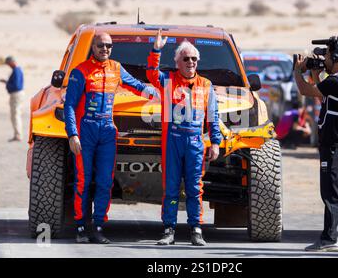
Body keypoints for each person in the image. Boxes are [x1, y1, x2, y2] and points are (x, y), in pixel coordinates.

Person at [64, 32, 156, 244]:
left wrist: (158, 92)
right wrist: (72, 134)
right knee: (83, 181)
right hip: (85, 130)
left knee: (105, 182)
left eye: (108, 45)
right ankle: (80, 226)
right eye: (100, 45)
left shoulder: (116, 68)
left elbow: (137, 85)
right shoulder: (80, 72)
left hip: (107, 130)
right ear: (93, 47)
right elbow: (69, 105)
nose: (105, 49)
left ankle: (98, 227)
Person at [147, 29, 222, 246]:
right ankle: (168, 229)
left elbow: (213, 117)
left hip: (195, 143)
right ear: (178, 61)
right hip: (172, 140)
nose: (191, 62)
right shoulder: (168, 80)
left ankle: (196, 229)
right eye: (186, 59)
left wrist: (215, 142)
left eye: (194, 59)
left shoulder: (206, 85)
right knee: (170, 187)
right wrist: (155, 51)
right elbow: (152, 74)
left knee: (194, 187)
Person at [293, 39, 338, 252]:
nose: (326, 60)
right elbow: (323, 94)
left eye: (328, 56)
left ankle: (330, 239)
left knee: (331, 191)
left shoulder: (337, 81)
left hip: (336, 143)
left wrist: (297, 71)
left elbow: (305, 90)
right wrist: (315, 72)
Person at [0, 56, 24, 141]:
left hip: (16, 95)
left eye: (8, 63)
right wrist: (7, 82)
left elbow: (16, 86)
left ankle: (18, 135)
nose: (8, 65)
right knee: (15, 115)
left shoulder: (16, 70)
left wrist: (7, 84)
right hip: (17, 94)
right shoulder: (17, 70)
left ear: (12, 62)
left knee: (15, 114)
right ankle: (17, 134)